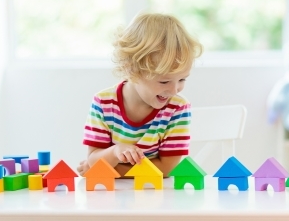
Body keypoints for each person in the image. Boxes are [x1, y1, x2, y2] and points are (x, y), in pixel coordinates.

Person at [77, 12, 203, 177]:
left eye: (182, 79)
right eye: (164, 82)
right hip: (113, 196)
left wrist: (112, 169)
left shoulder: (177, 108)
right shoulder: (103, 103)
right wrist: (115, 152)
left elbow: (166, 169)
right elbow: (93, 159)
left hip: (155, 193)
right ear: (131, 69)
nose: (174, 90)